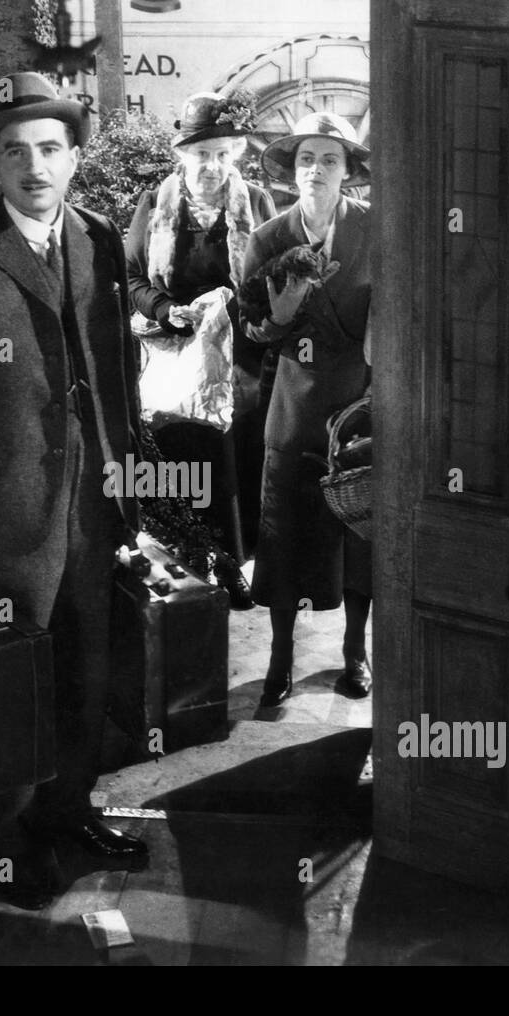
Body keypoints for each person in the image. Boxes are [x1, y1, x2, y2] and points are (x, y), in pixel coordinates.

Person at [0, 71, 147, 909]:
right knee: (15, 686)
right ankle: (9, 848)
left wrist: (133, 486)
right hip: (4, 518)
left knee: (85, 671)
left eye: (50, 148)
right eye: (15, 151)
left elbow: (120, 374)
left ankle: (70, 811)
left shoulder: (101, 238)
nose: (34, 165)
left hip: (93, 505)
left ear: (74, 156)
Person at [241, 112, 374, 708]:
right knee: (285, 536)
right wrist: (284, 314)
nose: (315, 171)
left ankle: (355, 652)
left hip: (361, 404)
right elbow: (250, 332)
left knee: (360, 534)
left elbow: (400, 309)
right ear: (293, 172)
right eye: (305, 161)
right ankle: (280, 657)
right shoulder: (268, 239)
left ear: (347, 172)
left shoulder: (376, 231)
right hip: (294, 405)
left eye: (329, 160)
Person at [125, 91, 277, 606]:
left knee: (236, 464)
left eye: (221, 153)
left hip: (240, 367)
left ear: (233, 156)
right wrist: (166, 309)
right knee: (186, 467)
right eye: (200, 154)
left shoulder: (255, 202)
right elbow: (129, 279)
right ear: (182, 155)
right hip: (177, 362)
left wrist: (236, 307)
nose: (211, 165)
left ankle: (235, 566)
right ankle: (193, 563)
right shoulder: (155, 205)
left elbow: (271, 281)